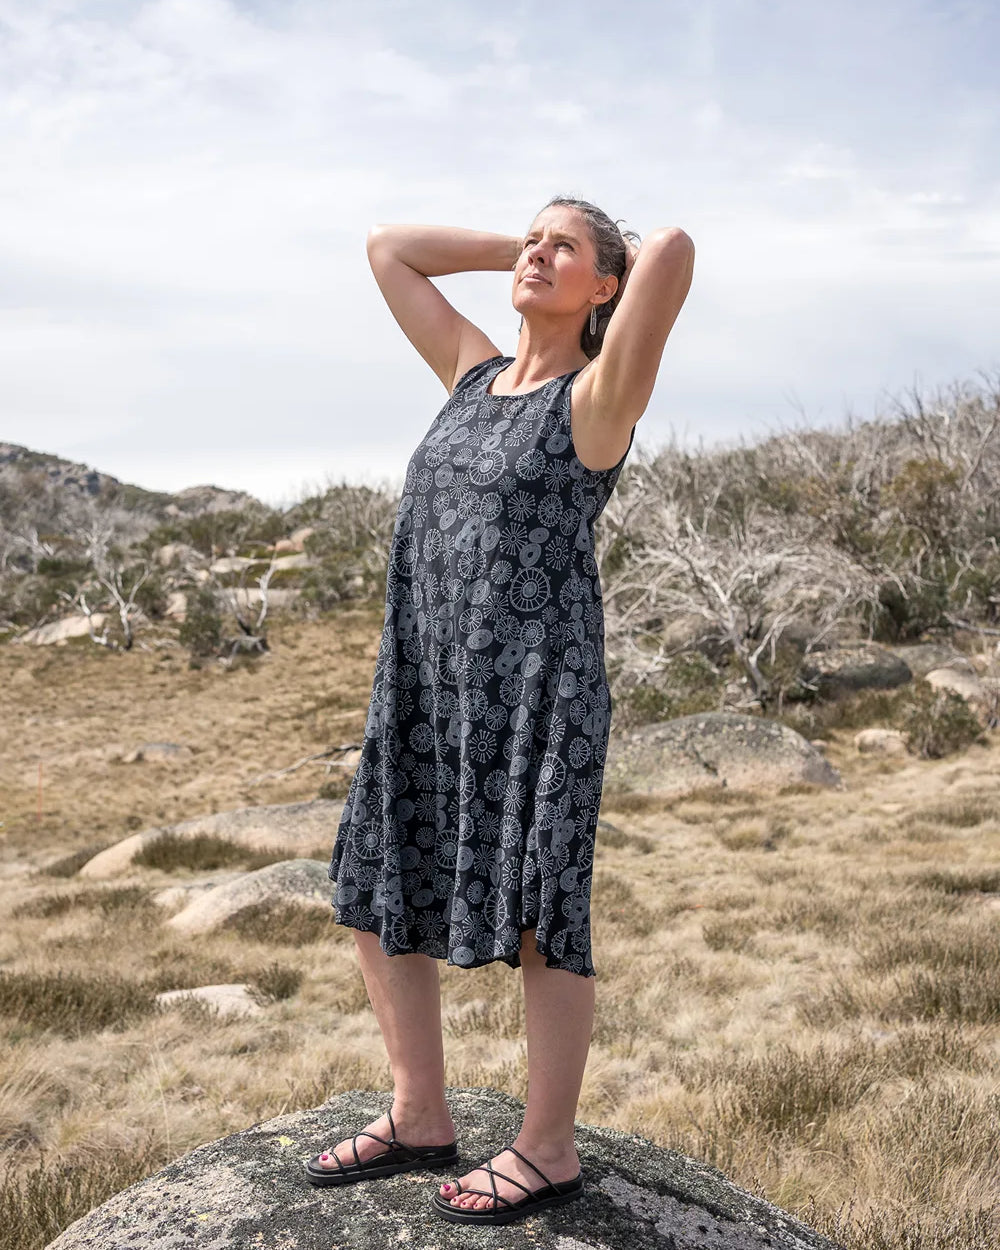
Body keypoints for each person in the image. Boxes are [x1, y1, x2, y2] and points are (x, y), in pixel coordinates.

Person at [304, 197, 694, 1225]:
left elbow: (674, 252)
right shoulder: (470, 375)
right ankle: (418, 1109)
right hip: (428, 676)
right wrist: (525, 251)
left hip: (538, 692)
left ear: (605, 284)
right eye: (529, 236)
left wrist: (597, 254)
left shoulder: (598, 398)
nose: (534, 250)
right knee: (375, 880)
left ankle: (546, 1146)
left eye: (562, 247)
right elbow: (388, 248)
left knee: (540, 911)